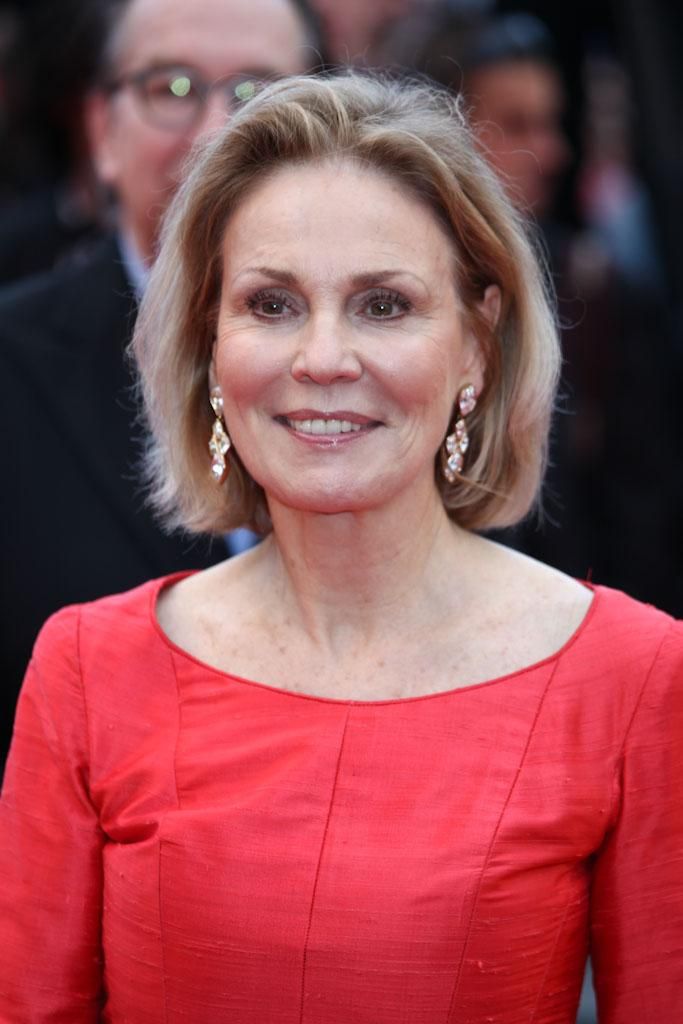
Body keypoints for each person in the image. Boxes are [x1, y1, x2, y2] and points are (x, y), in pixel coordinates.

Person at [1, 71, 681, 1021]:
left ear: (476, 343)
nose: (321, 358)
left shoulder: (632, 674)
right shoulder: (87, 669)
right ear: (208, 342)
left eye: (383, 305)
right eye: (271, 304)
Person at [0, 0, 321, 768]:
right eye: (170, 88)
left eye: (258, 92)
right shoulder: (11, 364)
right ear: (101, 132)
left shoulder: (415, 364)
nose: (215, 133)